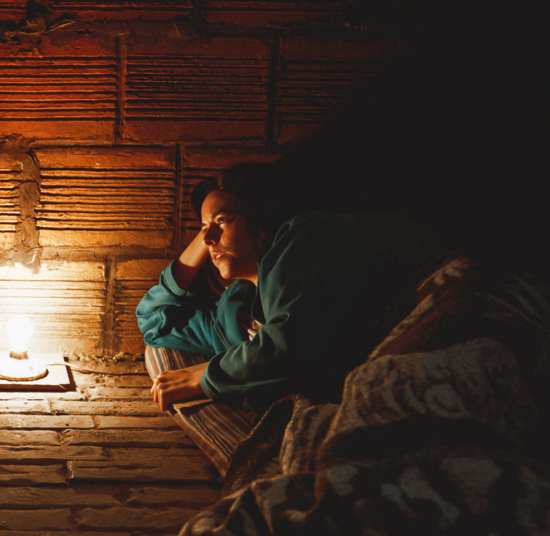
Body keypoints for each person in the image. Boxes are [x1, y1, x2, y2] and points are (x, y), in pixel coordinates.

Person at [137, 164, 435, 414]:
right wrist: (208, 232)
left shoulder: (307, 236)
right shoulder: (232, 314)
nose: (208, 239)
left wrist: (203, 378)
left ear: (258, 219)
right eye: (204, 228)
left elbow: (288, 345)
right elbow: (152, 320)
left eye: (224, 220)